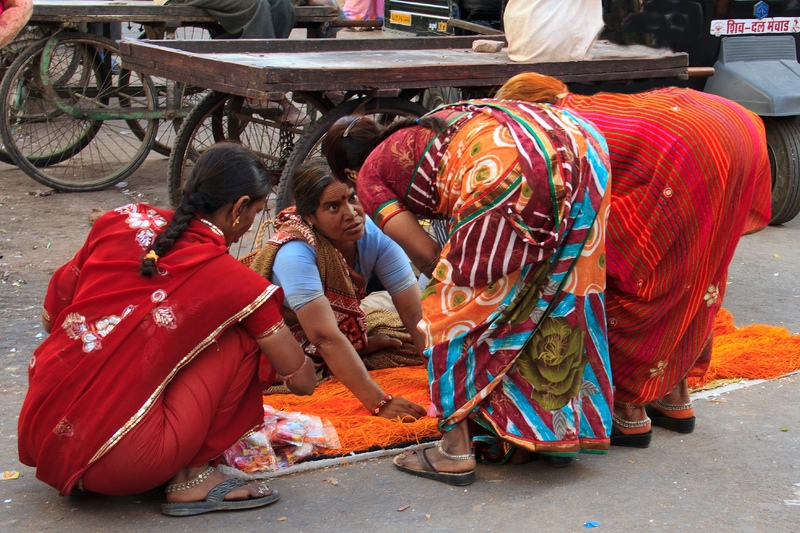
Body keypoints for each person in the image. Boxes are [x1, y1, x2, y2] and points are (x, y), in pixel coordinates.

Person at [321, 100, 614, 485]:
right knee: (557, 293)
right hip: (583, 146)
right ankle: (547, 435)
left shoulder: (369, 175)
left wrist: (457, 300)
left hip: (506, 164)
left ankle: (454, 450)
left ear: (347, 171)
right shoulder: (422, 129)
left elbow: (429, 260)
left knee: (448, 310)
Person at [17, 143, 316, 517]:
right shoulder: (236, 283)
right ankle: (191, 479)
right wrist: (308, 342)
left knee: (169, 334)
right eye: (255, 213)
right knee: (240, 337)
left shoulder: (121, 220)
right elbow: (303, 383)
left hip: (42, 435)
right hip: (124, 464)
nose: (250, 226)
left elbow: (53, 316)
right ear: (239, 208)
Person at [494, 72, 772, 447]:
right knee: (695, 271)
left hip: (690, 144)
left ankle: (629, 410)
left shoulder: (551, 127)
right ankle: (674, 394)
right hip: (738, 127)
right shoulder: (585, 104)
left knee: (633, 272)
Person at [250, 158, 428, 421]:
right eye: (333, 207)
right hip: (291, 336)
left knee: (421, 342)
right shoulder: (295, 251)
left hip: (337, 326)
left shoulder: (373, 234)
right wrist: (379, 403)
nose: (351, 213)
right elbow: (324, 337)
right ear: (309, 216)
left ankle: (355, 349)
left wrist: (443, 379)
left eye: (352, 198)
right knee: (300, 378)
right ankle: (353, 351)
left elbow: (415, 315)